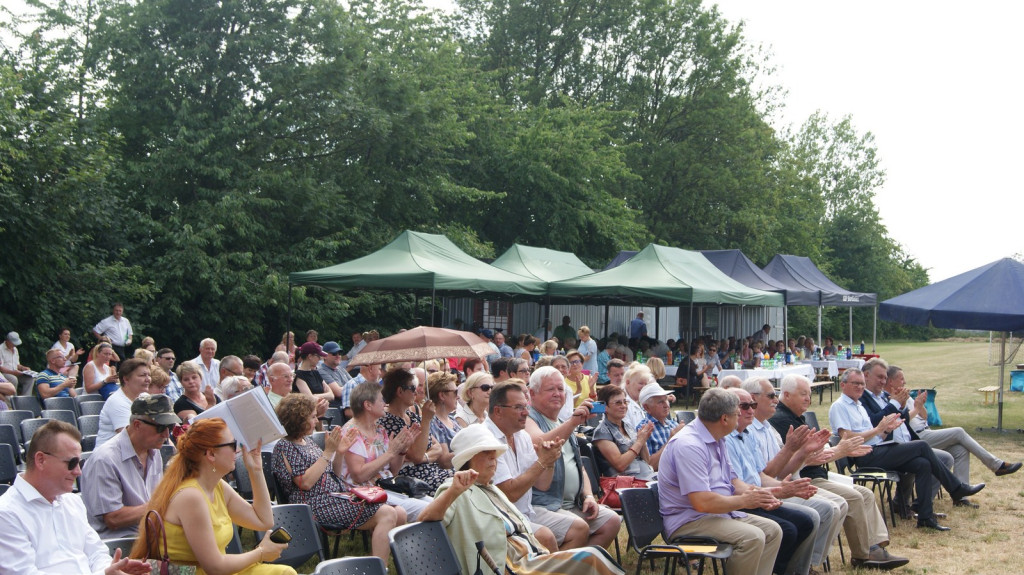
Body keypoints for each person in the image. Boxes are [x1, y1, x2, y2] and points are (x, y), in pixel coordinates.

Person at [419, 425, 625, 575]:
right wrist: (453, 492)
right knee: (590, 559)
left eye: (495, 454)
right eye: (487, 455)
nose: (494, 460)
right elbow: (426, 520)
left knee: (593, 556)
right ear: (468, 459)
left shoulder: (490, 488)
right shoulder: (455, 488)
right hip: (508, 566)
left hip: (531, 558)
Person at [770, 374, 908, 570]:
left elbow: (817, 453)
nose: (808, 399)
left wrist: (840, 450)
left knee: (866, 494)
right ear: (786, 395)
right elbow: (805, 459)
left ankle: (874, 546)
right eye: (803, 394)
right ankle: (863, 555)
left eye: (809, 394)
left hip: (816, 474)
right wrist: (840, 450)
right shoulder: (783, 421)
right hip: (805, 479)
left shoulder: (794, 416)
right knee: (853, 497)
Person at [130, 418, 294, 574]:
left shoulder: (217, 486)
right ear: (211, 454)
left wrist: (256, 471)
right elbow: (214, 568)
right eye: (232, 444)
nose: (238, 450)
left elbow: (263, 520)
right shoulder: (191, 497)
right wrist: (261, 553)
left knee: (284, 572)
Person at [829, 368, 984, 531]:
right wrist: (877, 430)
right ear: (843, 385)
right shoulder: (839, 406)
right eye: (855, 383)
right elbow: (847, 436)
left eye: (862, 383)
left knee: (922, 464)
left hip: (877, 449)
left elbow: (874, 437)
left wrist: (886, 431)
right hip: (864, 456)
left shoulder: (859, 405)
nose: (860, 387)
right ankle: (956, 488)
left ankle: (925, 517)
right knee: (922, 446)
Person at [0, 420, 152, 575]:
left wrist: (111, 570)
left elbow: (97, 553)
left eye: (79, 462)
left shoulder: (72, 502)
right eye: (72, 463)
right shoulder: (6, 513)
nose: (78, 472)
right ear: (41, 460)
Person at [658, 388, 782, 575]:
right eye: (737, 414)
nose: (742, 416)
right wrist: (744, 501)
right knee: (752, 537)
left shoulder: (717, 438)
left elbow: (733, 481)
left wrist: (761, 495)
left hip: (715, 514)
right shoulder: (689, 445)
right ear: (725, 419)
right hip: (689, 521)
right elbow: (702, 502)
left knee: (773, 530)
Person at [272, 393, 401, 562]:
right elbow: (305, 483)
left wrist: (339, 452)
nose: (315, 421)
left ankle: (377, 561)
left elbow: (334, 473)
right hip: (312, 505)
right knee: (388, 514)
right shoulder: (285, 446)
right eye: (311, 417)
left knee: (399, 512)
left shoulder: (306, 441)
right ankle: (379, 567)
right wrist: (328, 451)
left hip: (333, 497)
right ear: (297, 419)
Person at [724, 387, 819, 575]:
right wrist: (780, 490)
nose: (751, 410)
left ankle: (783, 570)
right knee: (788, 529)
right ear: (728, 411)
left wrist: (783, 486)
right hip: (741, 501)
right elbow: (736, 486)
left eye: (752, 405)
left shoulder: (748, 434)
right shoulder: (725, 439)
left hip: (758, 496)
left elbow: (761, 475)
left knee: (805, 521)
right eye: (744, 406)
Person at [525, 367, 622, 550]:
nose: (557, 394)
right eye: (550, 389)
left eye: (561, 389)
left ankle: (581, 566)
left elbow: (579, 467)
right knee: (578, 528)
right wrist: (573, 422)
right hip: (543, 505)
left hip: (573, 504)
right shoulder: (529, 418)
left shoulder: (562, 423)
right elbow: (538, 442)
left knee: (611, 521)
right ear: (532, 393)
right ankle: (563, 566)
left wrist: (588, 496)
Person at [891, 365, 1021, 483]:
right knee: (958, 431)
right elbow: (904, 419)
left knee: (961, 450)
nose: (905, 382)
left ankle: (961, 494)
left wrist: (920, 406)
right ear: (891, 381)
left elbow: (924, 417)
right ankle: (996, 465)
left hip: (927, 431)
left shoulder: (906, 395)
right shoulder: (892, 399)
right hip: (917, 438)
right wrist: (917, 408)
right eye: (901, 379)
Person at [83, 394, 179, 538]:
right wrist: (163, 503)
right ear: (137, 425)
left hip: (149, 536)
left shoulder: (153, 451)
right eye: (161, 427)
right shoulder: (105, 459)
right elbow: (113, 518)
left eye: (170, 427)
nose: (166, 434)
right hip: (119, 545)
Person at [485, 380, 562, 553]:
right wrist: (542, 462)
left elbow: (542, 484)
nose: (526, 412)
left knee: (579, 529)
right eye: (519, 407)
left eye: (526, 406)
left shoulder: (522, 436)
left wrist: (548, 461)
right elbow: (509, 494)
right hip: (500, 522)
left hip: (526, 514)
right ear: (498, 411)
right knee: (546, 537)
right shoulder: (486, 439)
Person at [336, 381, 430, 521]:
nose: (385, 404)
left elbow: (394, 470)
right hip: (363, 492)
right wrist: (390, 453)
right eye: (381, 400)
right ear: (368, 405)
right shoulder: (352, 433)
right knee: (429, 509)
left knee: (434, 503)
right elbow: (359, 476)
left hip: (386, 485)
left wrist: (402, 450)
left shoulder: (379, 429)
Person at [379, 368, 454, 490]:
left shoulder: (412, 417)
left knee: (466, 477)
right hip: (411, 477)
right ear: (400, 391)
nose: (416, 393)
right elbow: (417, 455)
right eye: (412, 388)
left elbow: (437, 448)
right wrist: (426, 420)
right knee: (457, 483)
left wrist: (423, 458)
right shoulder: (388, 422)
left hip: (430, 471)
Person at [593, 384, 656, 480]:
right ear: (605, 407)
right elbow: (620, 465)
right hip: (627, 482)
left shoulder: (628, 426)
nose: (623, 406)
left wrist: (643, 441)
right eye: (618, 403)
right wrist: (639, 442)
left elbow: (647, 461)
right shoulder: (602, 432)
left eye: (625, 402)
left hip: (646, 475)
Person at [97, 358, 153, 448]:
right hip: (111, 456)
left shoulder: (145, 396)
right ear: (126, 379)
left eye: (149, 375)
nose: (148, 379)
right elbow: (130, 438)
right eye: (142, 375)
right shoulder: (117, 402)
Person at [636, 383, 686, 469]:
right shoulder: (643, 429)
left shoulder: (673, 424)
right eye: (660, 402)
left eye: (666, 400)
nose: (666, 405)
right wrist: (671, 440)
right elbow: (650, 466)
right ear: (647, 407)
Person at [292, 342, 342, 406]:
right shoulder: (299, 376)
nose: (320, 358)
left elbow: (331, 395)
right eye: (318, 356)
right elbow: (310, 399)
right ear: (310, 356)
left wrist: (315, 396)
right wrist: (323, 396)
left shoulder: (316, 373)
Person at [427, 371, 461, 464]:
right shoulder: (433, 422)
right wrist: (472, 448)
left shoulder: (452, 419)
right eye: (455, 392)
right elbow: (444, 461)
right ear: (442, 395)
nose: (458, 397)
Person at [1, 331, 35, 396]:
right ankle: (14, 400)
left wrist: (23, 368)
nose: (15, 345)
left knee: (30, 378)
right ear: (8, 341)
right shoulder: (1, 349)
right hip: (5, 374)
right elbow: (1, 368)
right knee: (13, 379)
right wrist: (13, 372)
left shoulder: (15, 349)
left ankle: (25, 399)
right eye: (13, 343)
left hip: (16, 372)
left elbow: (17, 364)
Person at [622, 363, 653, 431]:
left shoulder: (641, 401)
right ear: (628, 383)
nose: (644, 387)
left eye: (646, 384)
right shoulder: (622, 404)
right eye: (641, 383)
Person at [192, 338, 220, 405]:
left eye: (212, 349)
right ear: (200, 349)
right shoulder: (192, 365)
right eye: (207, 348)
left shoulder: (219, 364)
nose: (210, 351)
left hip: (217, 400)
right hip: (199, 401)